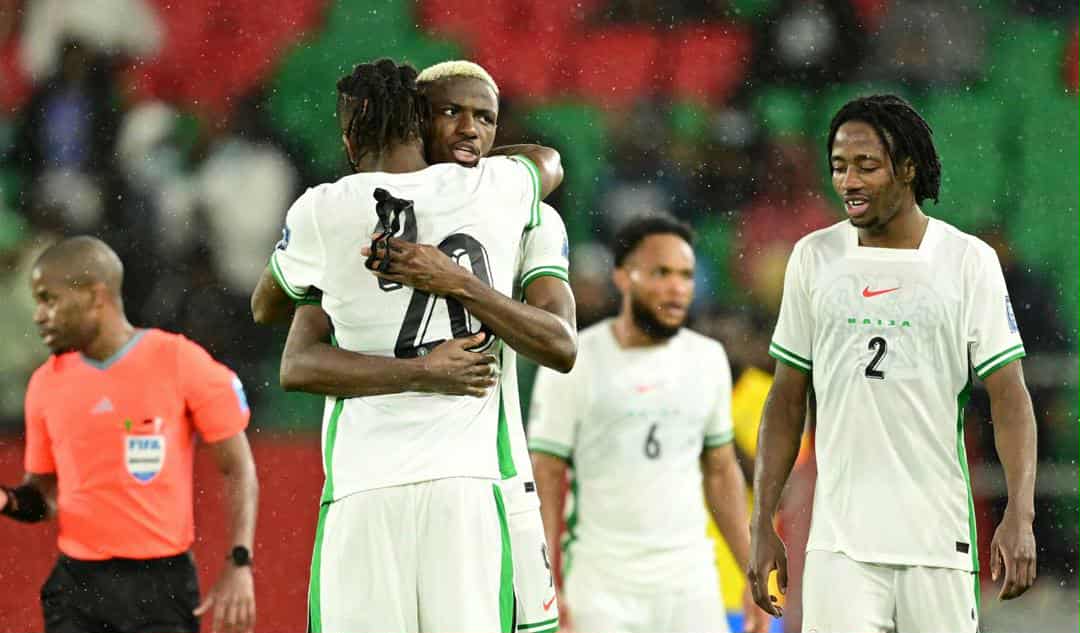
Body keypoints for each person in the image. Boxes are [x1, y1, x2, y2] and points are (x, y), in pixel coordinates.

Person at [251, 58, 562, 633]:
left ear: (348, 137)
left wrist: (335, 267)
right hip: (465, 487)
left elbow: (265, 307)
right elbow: (548, 162)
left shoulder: (322, 208)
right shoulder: (494, 189)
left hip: (364, 485)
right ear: (420, 124)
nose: (469, 130)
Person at [747, 94, 1038, 633]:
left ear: (908, 169)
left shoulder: (967, 261)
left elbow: (1010, 394)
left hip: (937, 541)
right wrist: (763, 521)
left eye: (866, 166)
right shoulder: (813, 258)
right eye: (838, 167)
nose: (848, 182)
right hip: (840, 547)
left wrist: (1020, 513)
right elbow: (786, 398)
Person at [1, 236, 258, 633]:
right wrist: (7, 500)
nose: (39, 316)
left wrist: (239, 562)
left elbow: (237, 467)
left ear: (94, 296)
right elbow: (45, 498)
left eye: (48, 299)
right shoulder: (45, 385)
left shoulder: (178, 361)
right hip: (77, 588)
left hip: (161, 587)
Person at [528, 215, 769, 633]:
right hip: (600, 584)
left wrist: (751, 573)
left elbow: (720, 470)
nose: (677, 287)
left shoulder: (707, 359)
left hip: (689, 581)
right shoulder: (574, 361)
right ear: (623, 277)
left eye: (686, 275)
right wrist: (545, 585)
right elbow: (546, 475)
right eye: (661, 273)